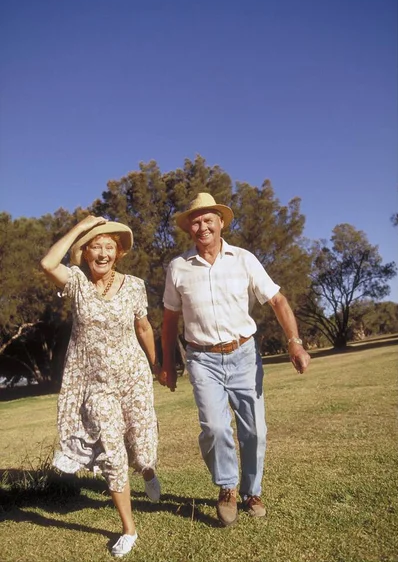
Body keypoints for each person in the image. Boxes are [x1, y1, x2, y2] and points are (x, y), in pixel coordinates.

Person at [160, 193, 310, 527]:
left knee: (254, 430)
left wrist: (295, 343)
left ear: (221, 222)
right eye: (196, 221)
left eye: (208, 219)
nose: (203, 227)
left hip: (243, 355)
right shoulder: (178, 267)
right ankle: (227, 488)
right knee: (214, 428)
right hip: (202, 359)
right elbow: (169, 320)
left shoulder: (244, 259)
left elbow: (278, 301)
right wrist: (167, 364)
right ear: (189, 228)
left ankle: (251, 491)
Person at [40, 215, 161, 557]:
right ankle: (129, 529)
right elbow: (48, 262)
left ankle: (148, 470)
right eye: (96, 246)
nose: (104, 252)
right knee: (112, 450)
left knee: (141, 443)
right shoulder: (76, 281)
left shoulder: (135, 285)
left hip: (133, 377)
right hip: (94, 384)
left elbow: (144, 329)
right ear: (87, 251)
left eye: (110, 246)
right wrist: (80, 228)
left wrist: (158, 366)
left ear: (119, 252)